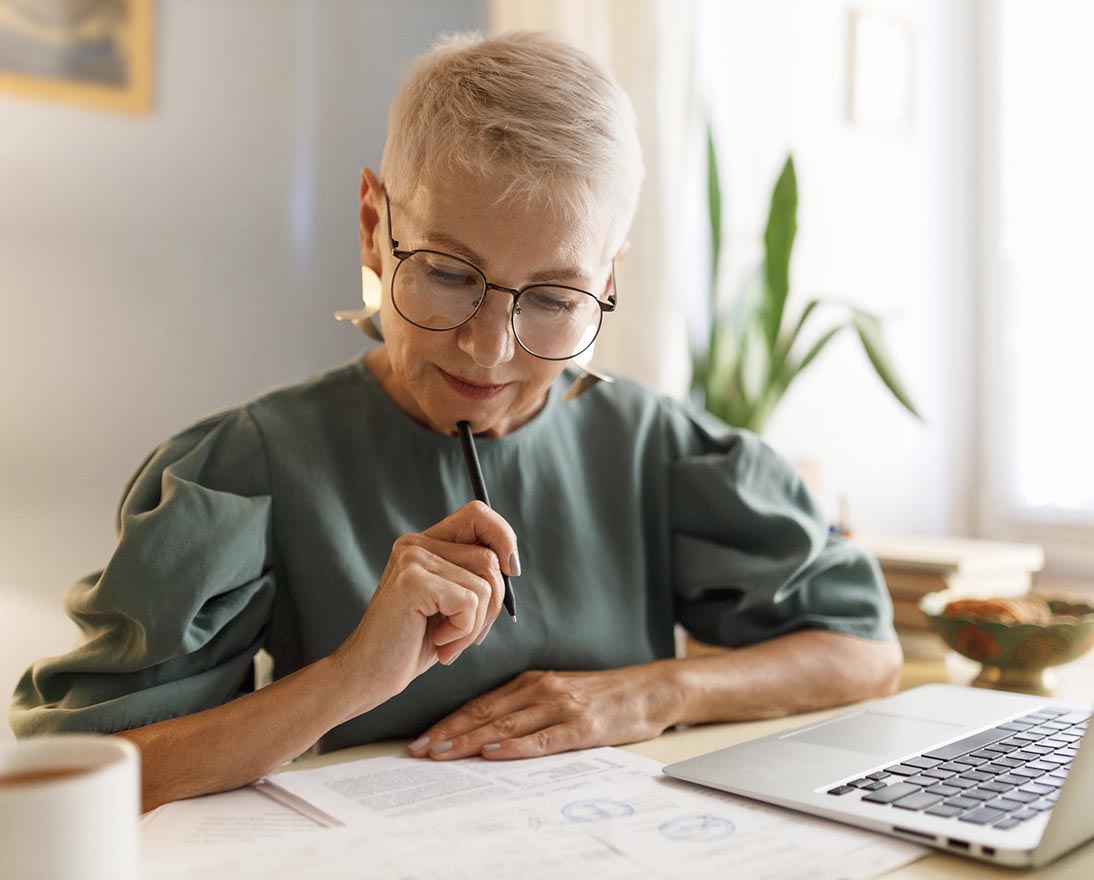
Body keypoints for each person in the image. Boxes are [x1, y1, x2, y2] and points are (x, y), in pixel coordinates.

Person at [9, 31, 901, 813]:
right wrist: (351, 677)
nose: (486, 351)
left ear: (608, 279)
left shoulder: (657, 449)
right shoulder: (247, 468)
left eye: (553, 297)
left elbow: (863, 652)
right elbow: (75, 770)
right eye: (445, 272)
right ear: (372, 226)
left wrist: (648, 692)